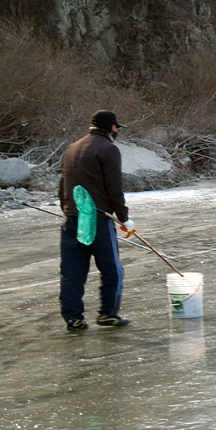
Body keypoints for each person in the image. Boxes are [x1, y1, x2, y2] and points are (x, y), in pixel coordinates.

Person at [58, 110, 135, 331]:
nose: (117, 131)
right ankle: (107, 314)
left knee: (72, 272)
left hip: (73, 219)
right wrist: (124, 218)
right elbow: (114, 187)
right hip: (99, 220)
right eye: (116, 127)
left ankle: (73, 318)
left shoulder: (72, 148)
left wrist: (67, 209)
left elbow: (62, 183)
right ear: (110, 127)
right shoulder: (108, 149)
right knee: (112, 270)